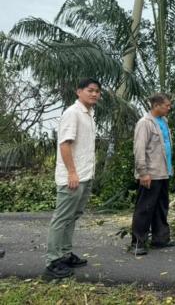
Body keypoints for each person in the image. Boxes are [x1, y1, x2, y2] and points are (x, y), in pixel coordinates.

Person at [44, 78, 101, 280]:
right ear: (79, 91)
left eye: (97, 91)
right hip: (72, 177)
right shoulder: (72, 113)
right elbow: (65, 144)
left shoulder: (89, 115)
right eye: (90, 90)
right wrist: (71, 173)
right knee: (62, 218)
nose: (94, 94)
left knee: (72, 216)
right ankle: (53, 261)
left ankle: (65, 254)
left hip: (84, 175)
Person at [131, 93, 175, 255]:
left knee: (161, 207)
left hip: (163, 172)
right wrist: (143, 173)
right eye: (166, 105)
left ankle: (160, 239)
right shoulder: (144, 124)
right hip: (150, 173)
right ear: (156, 105)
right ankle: (137, 243)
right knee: (145, 208)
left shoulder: (163, 122)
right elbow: (139, 149)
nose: (169, 108)